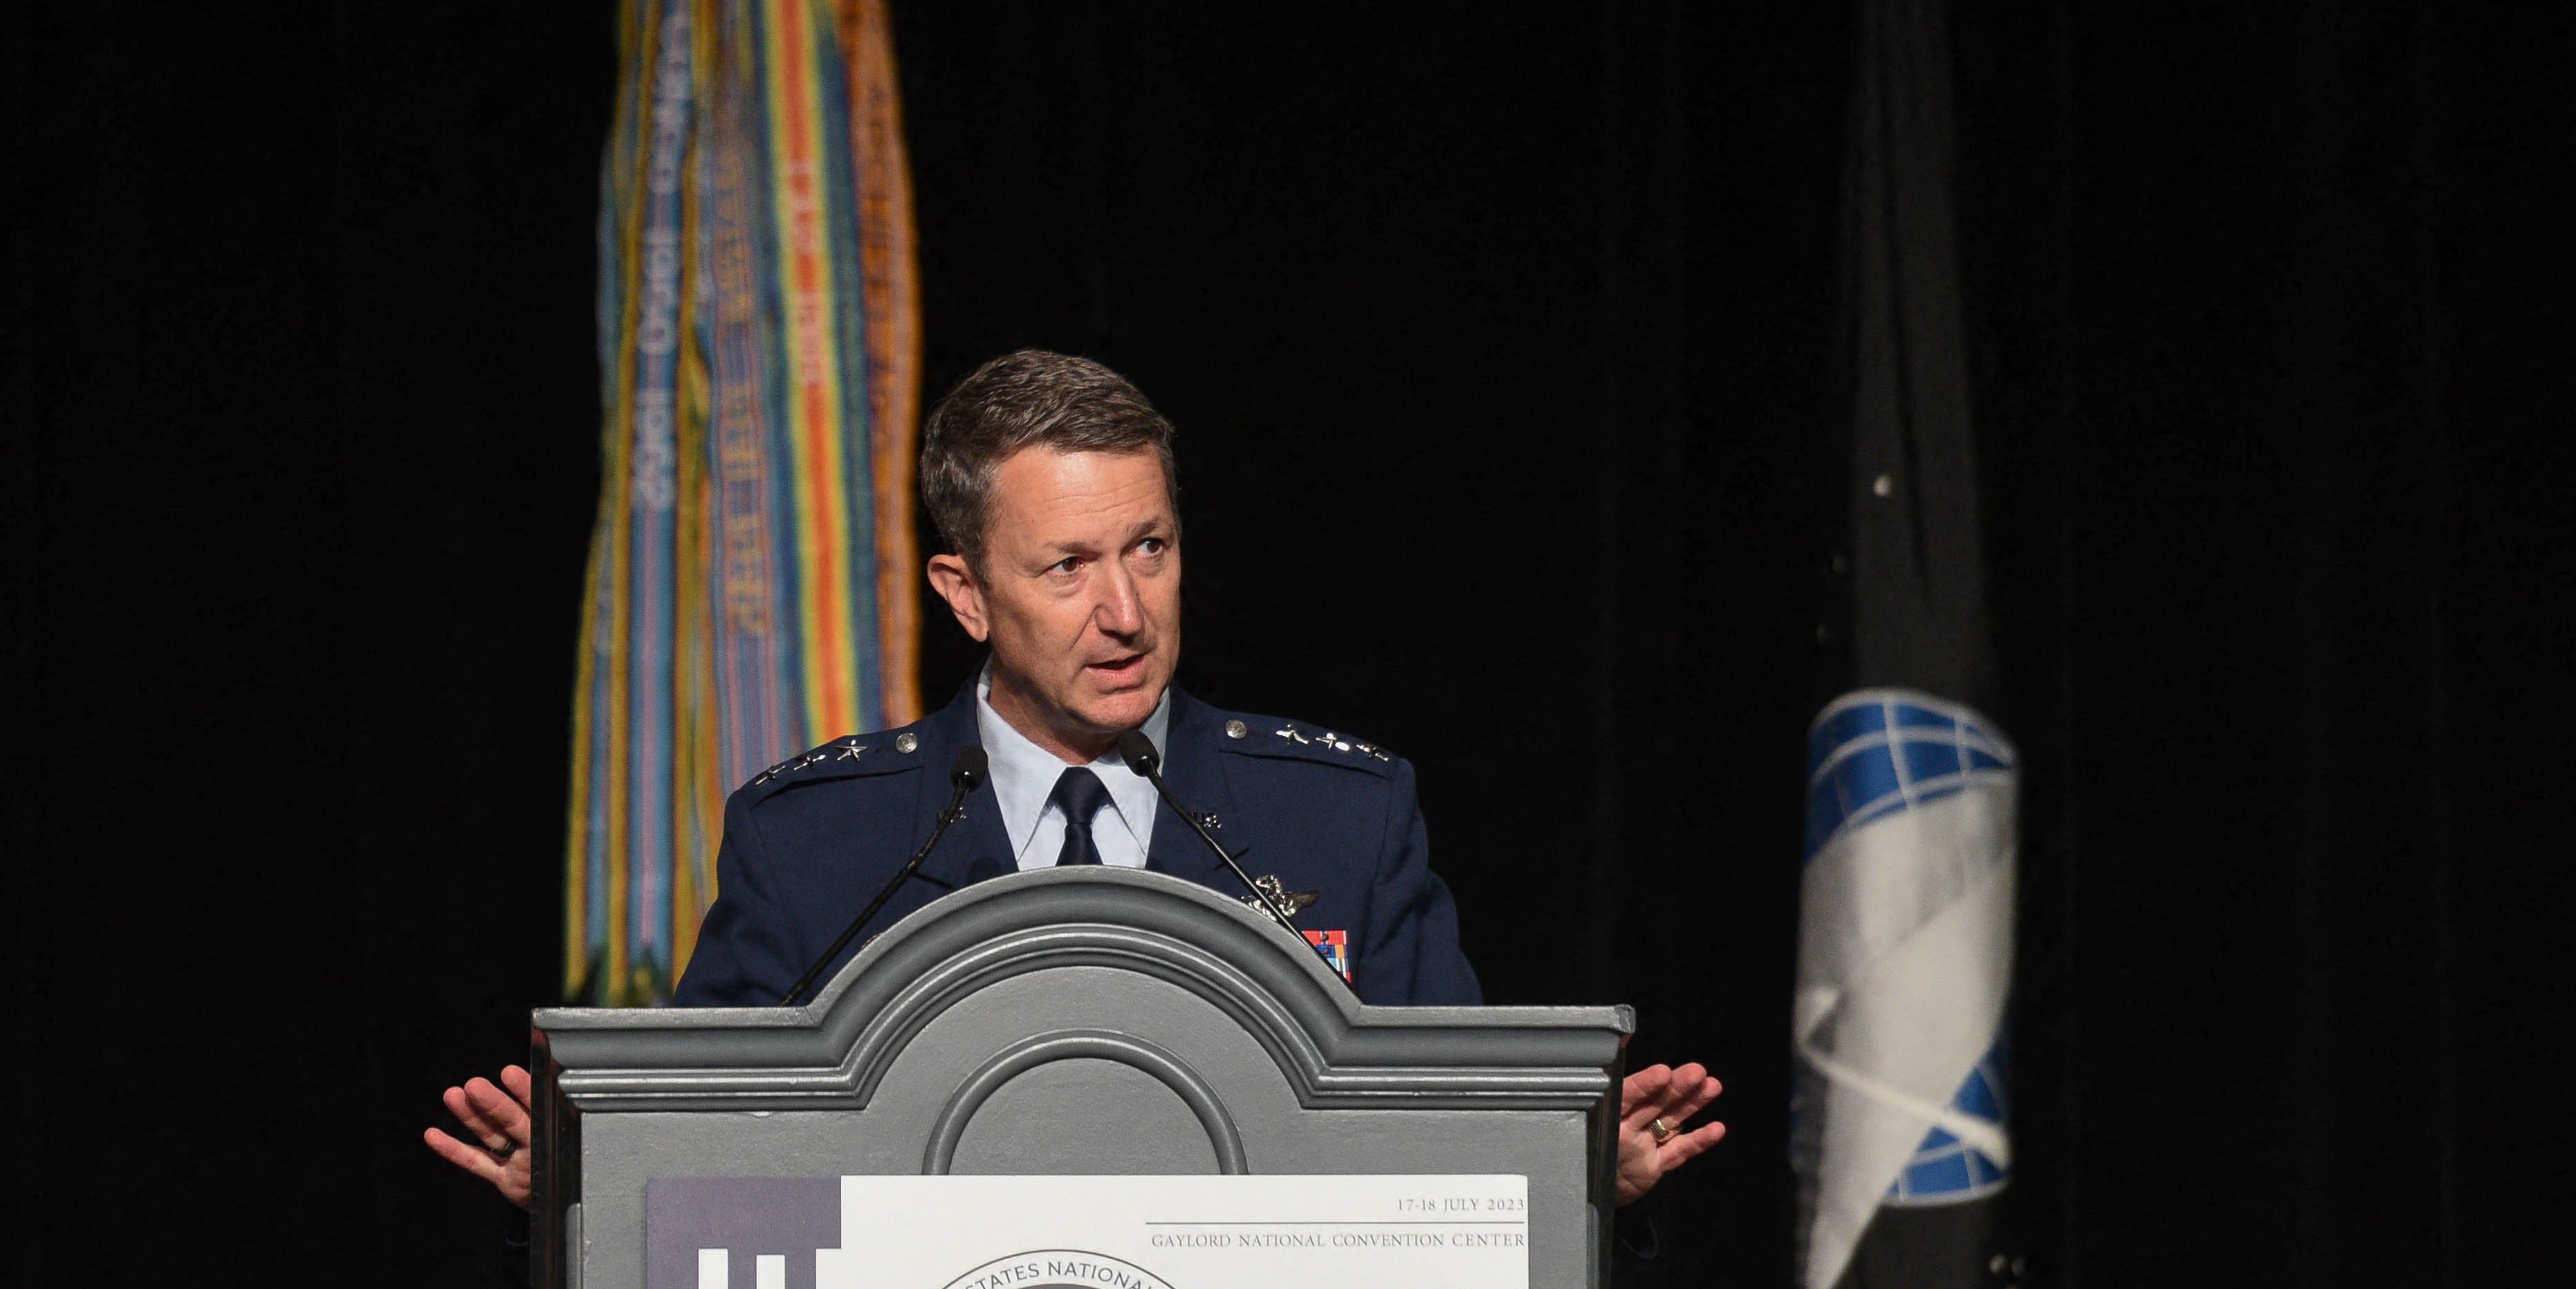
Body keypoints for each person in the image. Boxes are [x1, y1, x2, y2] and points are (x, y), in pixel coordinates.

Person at [428, 349, 1725, 1205]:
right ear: (964, 591)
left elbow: (1451, 1150)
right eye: (1068, 568)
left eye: (1149, 549)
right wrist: (588, 1188)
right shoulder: (819, 839)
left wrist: (1572, 1179)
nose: (1126, 612)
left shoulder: (1339, 818)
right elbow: (711, 1165)